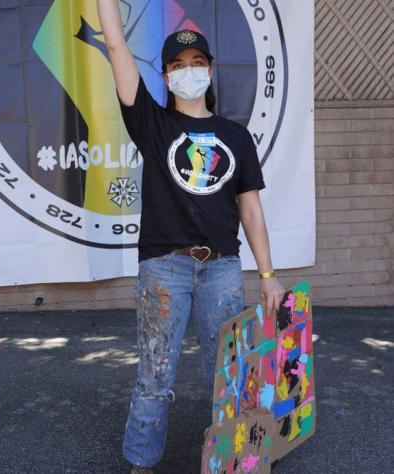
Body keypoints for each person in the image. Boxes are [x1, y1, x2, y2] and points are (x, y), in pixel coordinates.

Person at [97, 2, 285, 473]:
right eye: (178, 67)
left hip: (222, 267)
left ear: (210, 69)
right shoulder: (152, 124)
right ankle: (141, 462)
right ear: (164, 76)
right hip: (165, 266)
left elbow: (250, 210)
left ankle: (240, 458)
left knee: (229, 375)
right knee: (154, 375)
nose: (188, 72)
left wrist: (267, 274)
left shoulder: (236, 137)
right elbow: (116, 45)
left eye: (196, 64)